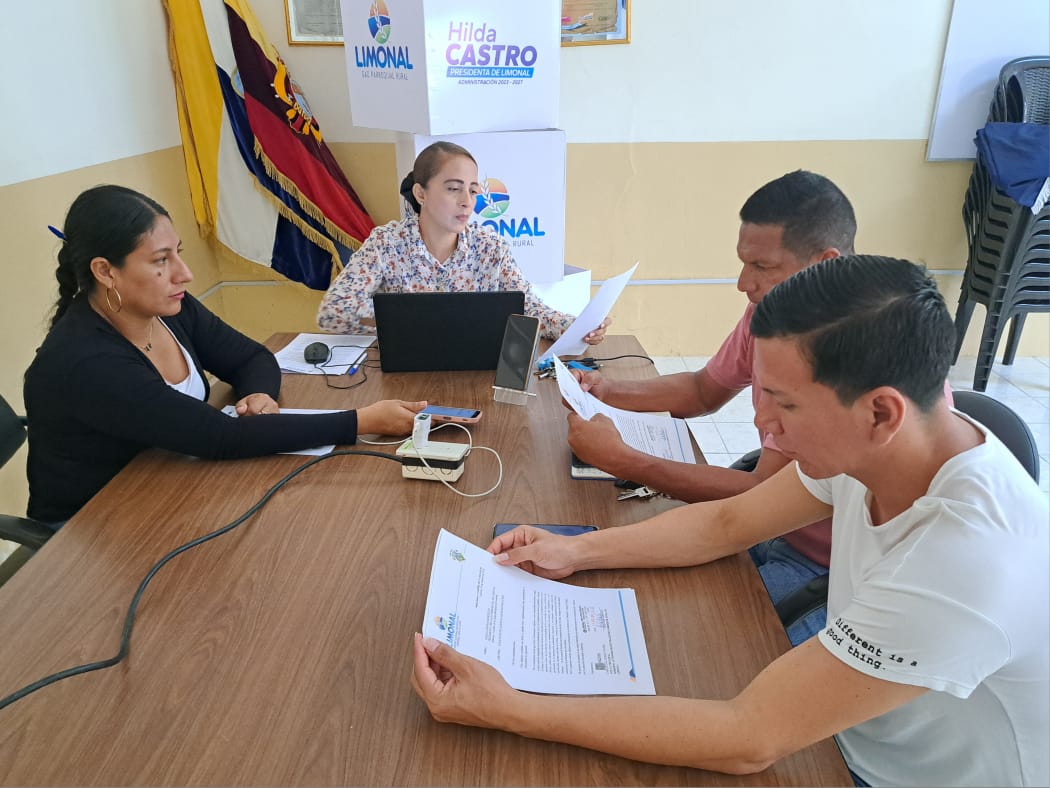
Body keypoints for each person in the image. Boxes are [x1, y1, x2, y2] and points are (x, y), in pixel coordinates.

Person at [412, 256, 1050, 787]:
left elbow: (748, 738)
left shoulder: (967, 559)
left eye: (784, 404)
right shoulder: (881, 446)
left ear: (881, 413)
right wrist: (575, 551)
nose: (760, 424)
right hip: (848, 728)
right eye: (761, 392)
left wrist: (511, 708)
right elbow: (728, 524)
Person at [568, 170, 856, 643]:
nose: (744, 283)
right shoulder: (774, 313)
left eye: (762, 266)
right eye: (743, 263)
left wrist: (624, 460)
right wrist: (606, 389)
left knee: (700, 645)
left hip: (827, 568)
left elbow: (755, 495)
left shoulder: (854, 358)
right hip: (769, 527)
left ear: (824, 263)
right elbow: (704, 391)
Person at [24, 185, 424, 525]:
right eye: (161, 260)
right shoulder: (87, 362)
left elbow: (251, 357)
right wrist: (361, 421)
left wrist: (259, 394)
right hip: (91, 531)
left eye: (177, 253)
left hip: (168, 487)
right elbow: (220, 436)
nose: (184, 273)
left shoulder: (169, 307)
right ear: (105, 271)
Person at [316, 141, 608, 342]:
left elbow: (528, 309)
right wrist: (409, 323)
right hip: (404, 375)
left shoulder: (490, 246)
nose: (467, 202)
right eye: (454, 189)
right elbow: (334, 311)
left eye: (473, 190)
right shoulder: (386, 243)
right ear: (420, 193)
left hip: (477, 372)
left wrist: (578, 327)